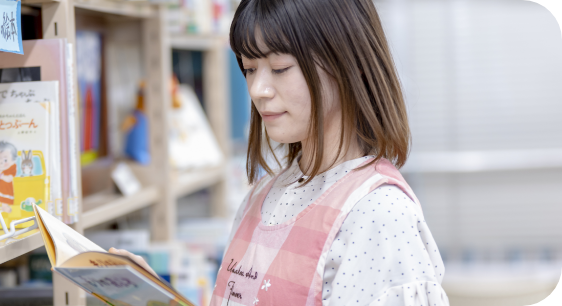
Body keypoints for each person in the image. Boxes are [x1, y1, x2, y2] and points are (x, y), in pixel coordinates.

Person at [111, 0, 451, 305]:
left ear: (349, 65)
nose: (258, 90)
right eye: (249, 68)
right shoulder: (261, 197)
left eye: (280, 68)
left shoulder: (380, 215)